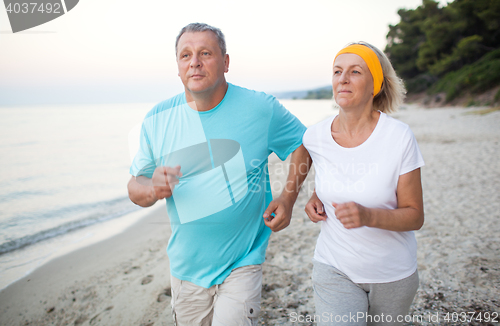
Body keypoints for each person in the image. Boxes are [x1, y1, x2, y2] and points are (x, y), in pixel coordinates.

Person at [127, 23, 311, 326]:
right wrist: (152, 189)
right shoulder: (158, 119)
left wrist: (288, 198)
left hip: (244, 260)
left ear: (225, 62)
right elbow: (135, 185)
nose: (195, 62)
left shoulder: (259, 108)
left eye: (205, 53)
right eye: (185, 55)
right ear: (177, 67)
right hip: (187, 268)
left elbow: (303, 143)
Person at [303, 42, 424, 325]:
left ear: (375, 85)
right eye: (337, 71)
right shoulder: (315, 136)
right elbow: (312, 160)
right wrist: (314, 195)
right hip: (334, 267)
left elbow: (415, 215)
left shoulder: (399, 137)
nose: (342, 79)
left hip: (392, 274)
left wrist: (368, 215)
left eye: (355, 72)